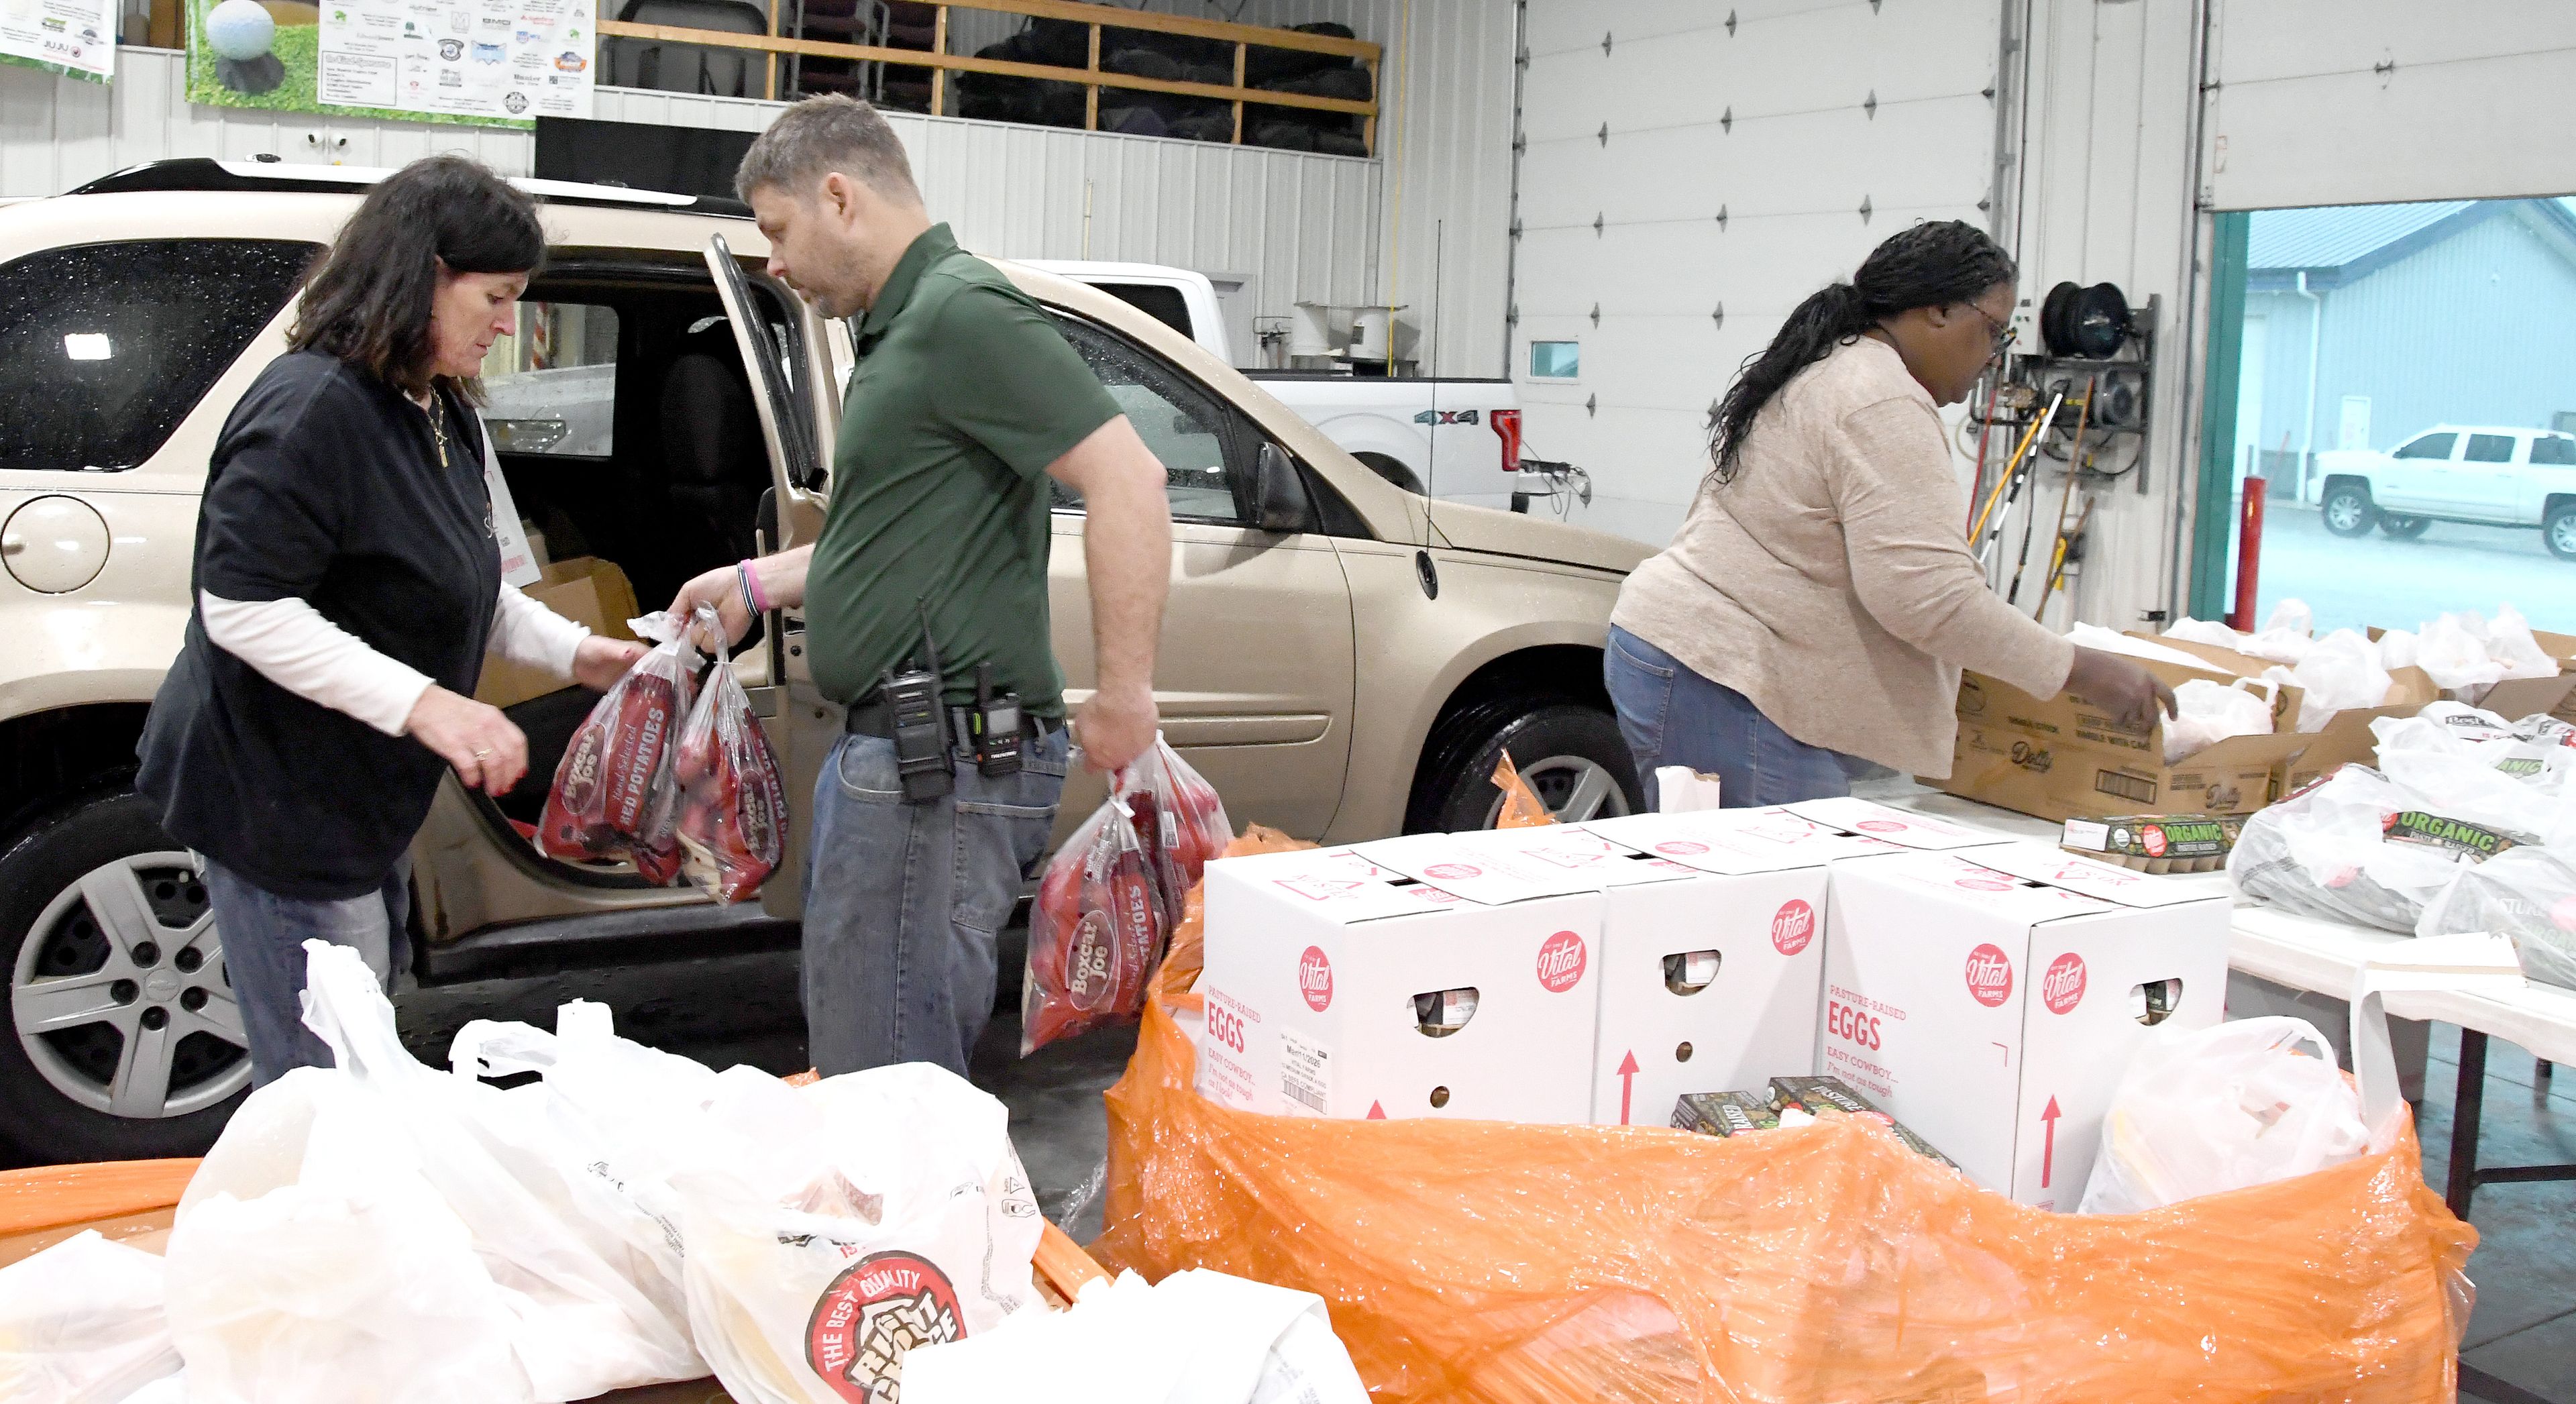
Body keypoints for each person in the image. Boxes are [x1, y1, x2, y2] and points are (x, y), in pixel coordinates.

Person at [670, 96, 1174, 1078]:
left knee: (891, 1087)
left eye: (778, 230)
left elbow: (1130, 480)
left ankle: (918, 1234)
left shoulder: (960, 312)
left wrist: (1125, 696)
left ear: (840, 197)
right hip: (905, 763)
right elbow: (892, 535)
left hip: (935, 767)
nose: (773, 260)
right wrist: (755, 584)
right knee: (871, 1060)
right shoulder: (904, 332)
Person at [137, 156, 646, 1083]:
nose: (508, 322)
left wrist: (579, 653)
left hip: (361, 799)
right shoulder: (313, 411)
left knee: (364, 1041)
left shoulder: (439, 404)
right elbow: (244, 608)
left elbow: (463, 584)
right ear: (421, 274)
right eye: (494, 297)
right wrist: (431, 706)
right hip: (281, 804)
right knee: (325, 1084)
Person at [1605, 220, 2171, 809]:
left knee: (1730, 881)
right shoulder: (1881, 397)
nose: (1992, 359)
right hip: (1728, 676)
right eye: (1993, 330)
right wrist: (2084, 671)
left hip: (1695, 658)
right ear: (1939, 311)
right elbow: (1930, 599)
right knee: (1780, 891)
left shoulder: (1837, 367)